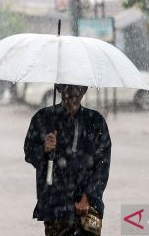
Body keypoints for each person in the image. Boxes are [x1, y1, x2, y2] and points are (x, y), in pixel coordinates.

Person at [24, 84, 112, 236]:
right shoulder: (43, 118)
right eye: (68, 87)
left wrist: (88, 197)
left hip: (89, 207)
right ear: (59, 88)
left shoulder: (96, 121)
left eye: (80, 87)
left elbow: (102, 166)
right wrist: (44, 148)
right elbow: (30, 155)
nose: (74, 91)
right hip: (55, 206)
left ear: (85, 90)